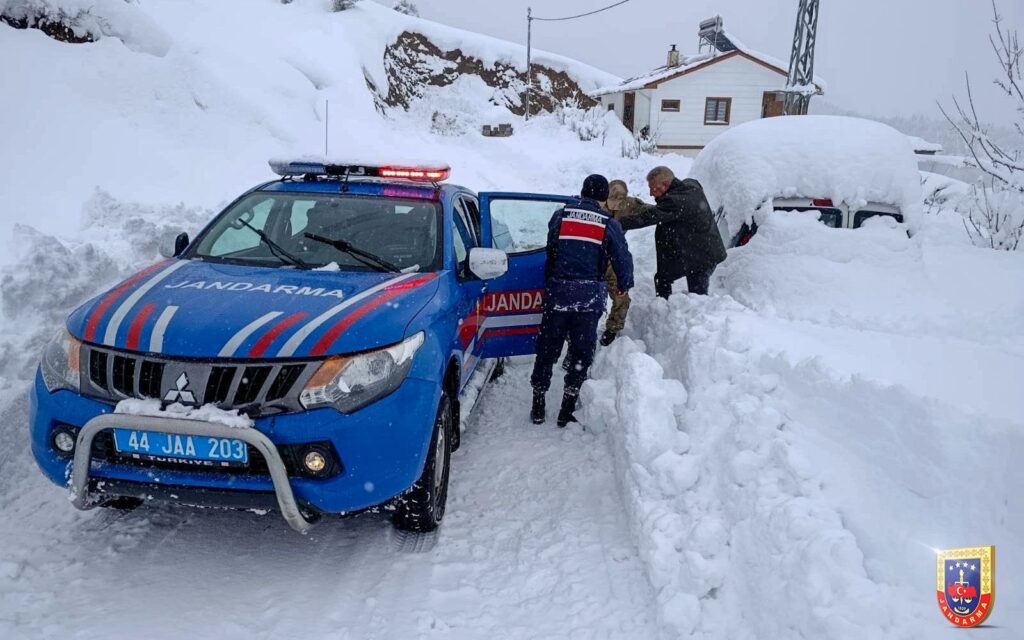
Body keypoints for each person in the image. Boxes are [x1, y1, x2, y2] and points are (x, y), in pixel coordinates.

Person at [530, 174, 634, 427]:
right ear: (602, 197)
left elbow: (552, 249)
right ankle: (567, 406)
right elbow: (622, 257)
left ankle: (538, 400)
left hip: (559, 293)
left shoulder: (561, 215)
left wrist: (552, 281)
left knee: (548, 346)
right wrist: (624, 284)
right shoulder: (608, 223)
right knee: (581, 349)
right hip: (588, 297)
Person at [619, 166, 726, 298]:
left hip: (701, 256)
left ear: (665, 185)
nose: (651, 193)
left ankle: (687, 313)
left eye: (654, 189)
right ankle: (664, 306)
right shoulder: (690, 185)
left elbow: (646, 218)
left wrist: (615, 223)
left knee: (698, 296)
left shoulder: (675, 202)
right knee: (663, 278)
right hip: (697, 248)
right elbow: (694, 183)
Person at [600, 180, 645, 346]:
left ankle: (613, 328)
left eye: (621, 197)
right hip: (593, 258)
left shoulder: (629, 204)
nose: (617, 202)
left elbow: (651, 211)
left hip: (614, 259)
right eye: (613, 197)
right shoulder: (595, 205)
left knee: (621, 297)